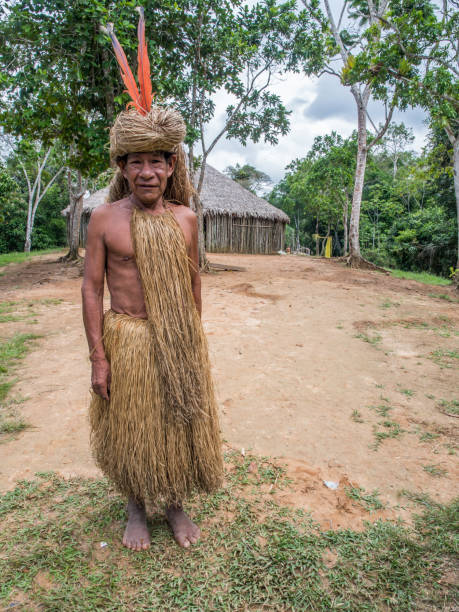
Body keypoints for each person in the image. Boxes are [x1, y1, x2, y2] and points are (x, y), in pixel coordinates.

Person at [81, 11, 223, 551]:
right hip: (129, 337)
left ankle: (176, 503)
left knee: (177, 419)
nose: (146, 172)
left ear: (170, 166)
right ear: (123, 167)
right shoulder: (104, 220)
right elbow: (91, 289)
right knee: (133, 427)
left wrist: (191, 340)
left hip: (177, 339)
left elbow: (193, 287)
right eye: (135, 162)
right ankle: (136, 506)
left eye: (156, 163)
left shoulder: (185, 218)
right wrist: (99, 355)